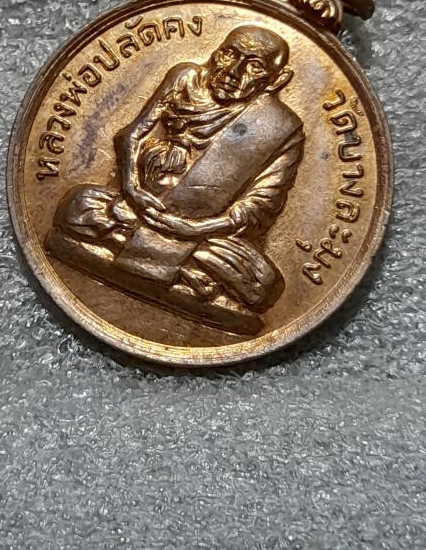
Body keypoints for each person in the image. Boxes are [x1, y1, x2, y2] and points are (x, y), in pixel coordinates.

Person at [48, 25, 304, 334]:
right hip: (139, 207)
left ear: (276, 80)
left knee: (261, 284)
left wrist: (192, 229)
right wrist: (132, 189)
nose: (233, 72)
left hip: (202, 235)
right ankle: (186, 273)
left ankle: (145, 251)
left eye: (254, 66)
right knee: (77, 205)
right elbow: (131, 135)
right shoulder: (186, 78)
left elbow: (259, 208)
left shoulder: (282, 128)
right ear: (216, 53)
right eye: (229, 55)